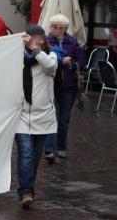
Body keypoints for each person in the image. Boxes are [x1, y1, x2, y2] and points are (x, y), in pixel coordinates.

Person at [16, 25, 58, 209]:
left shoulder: (51, 56)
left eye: (38, 37)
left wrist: (35, 49)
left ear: (42, 39)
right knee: (25, 154)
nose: (34, 40)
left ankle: (29, 188)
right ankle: (25, 192)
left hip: (43, 116)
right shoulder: (17, 57)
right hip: (21, 115)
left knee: (35, 156)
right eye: (31, 37)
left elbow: (50, 67)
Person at [43, 14, 85, 162]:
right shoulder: (46, 41)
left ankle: (61, 147)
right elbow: (44, 61)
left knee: (64, 118)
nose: (54, 30)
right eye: (53, 27)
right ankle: (49, 149)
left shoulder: (73, 41)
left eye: (58, 28)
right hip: (51, 84)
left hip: (69, 85)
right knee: (51, 116)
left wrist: (72, 64)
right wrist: (62, 62)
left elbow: (81, 61)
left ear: (64, 29)